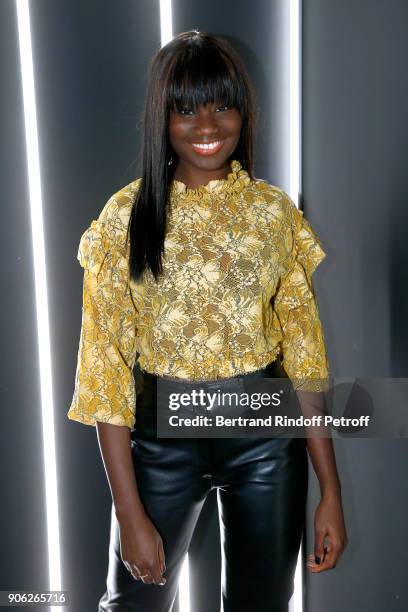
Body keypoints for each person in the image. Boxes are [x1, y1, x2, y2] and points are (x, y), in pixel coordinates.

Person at [67, 30, 347, 612]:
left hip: (265, 440)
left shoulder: (273, 214)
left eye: (222, 103)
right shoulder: (126, 215)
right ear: (161, 117)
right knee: (133, 603)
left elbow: (305, 357)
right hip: (162, 442)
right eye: (186, 107)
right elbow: (104, 373)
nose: (206, 124)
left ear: (243, 112)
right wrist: (128, 512)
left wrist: (330, 492)